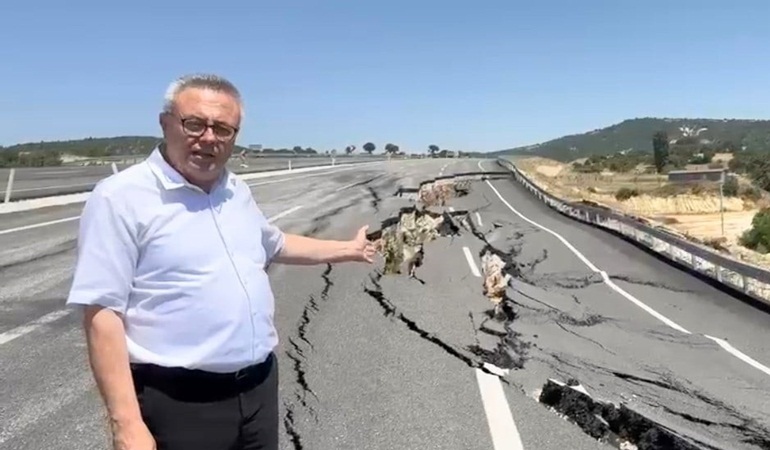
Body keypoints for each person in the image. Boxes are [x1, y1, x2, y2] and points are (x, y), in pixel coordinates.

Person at [66, 73, 377, 450]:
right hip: (181, 404)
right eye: (194, 123)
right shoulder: (121, 197)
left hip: (258, 389)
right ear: (165, 123)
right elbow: (102, 313)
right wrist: (126, 423)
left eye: (223, 129)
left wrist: (348, 250)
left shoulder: (235, 191)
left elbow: (276, 244)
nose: (209, 137)